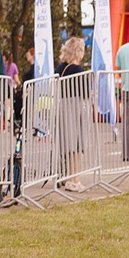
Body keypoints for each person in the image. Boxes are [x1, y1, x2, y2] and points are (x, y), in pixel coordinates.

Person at [56, 35, 92, 188]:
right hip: (76, 107)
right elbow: (85, 93)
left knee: (69, 146)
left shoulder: (61, 68)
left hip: (63, 107)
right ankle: (75, 179)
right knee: (77, 146)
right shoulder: (78, 70)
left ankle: (69, 177)